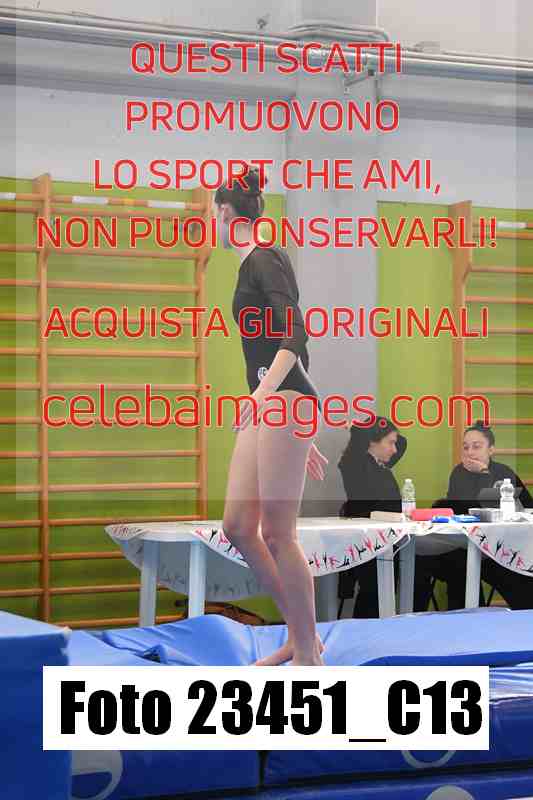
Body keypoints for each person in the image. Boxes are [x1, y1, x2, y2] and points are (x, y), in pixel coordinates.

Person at [214, 166, 329, 665]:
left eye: (212, 215)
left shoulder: (266, 257)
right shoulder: (248, 267)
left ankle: (306, 654)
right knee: (239, 526)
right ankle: (302, 635)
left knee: (279, 534)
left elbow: (295, 336)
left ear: (224, 212)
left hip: (278, 400)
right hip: (275, 405)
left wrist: (269, 398)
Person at [417, 421, 533, 610]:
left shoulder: (504, 472)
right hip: (464, 545)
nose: (470, 452)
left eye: (476, 446)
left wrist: (485, 474)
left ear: (491, 450)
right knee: (458, 566)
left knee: (519, 576)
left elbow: (526, 507)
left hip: (499, 546)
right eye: (465, 447)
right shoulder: (458, 473)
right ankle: (470, 618)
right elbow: (461, 510)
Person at [337, 416, 406, 617]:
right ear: (371, 441)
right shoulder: (354, 463)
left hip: (387, 536)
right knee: (372, 591)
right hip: (367, 539)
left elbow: (403, 443)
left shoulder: (381, 465)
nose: (395, 449)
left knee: (382, 591)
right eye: (390, 443)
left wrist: (384, 433)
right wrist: (358, 429)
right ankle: (365, 631)